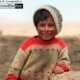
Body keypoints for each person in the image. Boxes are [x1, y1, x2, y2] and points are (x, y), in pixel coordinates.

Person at [5, 5, 70, 80]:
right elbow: (16, 66)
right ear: (36, 27)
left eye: (51, 25)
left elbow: (64, 61)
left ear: (57, 27)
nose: (46, 29)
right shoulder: (28, 44)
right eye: (42, 25)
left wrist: (61, 66)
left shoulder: (60, 45)